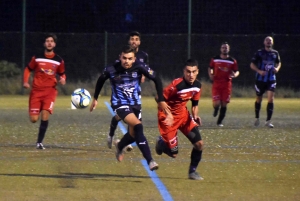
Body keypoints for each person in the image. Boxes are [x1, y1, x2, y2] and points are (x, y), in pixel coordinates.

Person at [90, 46, 171, 171]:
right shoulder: (112, 69)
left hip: (135, 104)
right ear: (120, 57)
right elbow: (101, 79)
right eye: (124, 58)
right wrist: (95, 98)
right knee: (138, 126)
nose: (126, 61)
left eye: (129, 59)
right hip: (119, 104)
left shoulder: (139, 66)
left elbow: (156, 78)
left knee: (133, 134)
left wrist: (161, 99)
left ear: (134, 59)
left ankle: (120, 146)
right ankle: (150, 160)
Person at [155, 59, 204, 180]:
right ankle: (161, 142)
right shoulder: (176, 85)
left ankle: (192, 172)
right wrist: (168, 114)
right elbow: (158, 97)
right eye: (188, 72)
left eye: (193, 72)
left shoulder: (197, 86)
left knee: (199, 144)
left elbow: (195, 105)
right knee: (174, 154)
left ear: (197, 72)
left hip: (183, 116)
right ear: (184, 71)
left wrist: (195, 115)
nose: (191, 75)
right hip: (168, 118)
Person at [107, 31, 149, 150]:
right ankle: (111, 134)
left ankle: (126, 140)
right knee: (121, 116)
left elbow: (146, 68)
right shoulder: (124, 54)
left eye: (136, 39)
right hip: (122, 92)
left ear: (139, 42)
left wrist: (144, 75)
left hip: (135, 91)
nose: (134, 41)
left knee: (133, 118)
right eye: (132, 39)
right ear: (129, 41)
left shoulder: (143, 55)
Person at [23, 33, 66, 149]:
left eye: (51, 41)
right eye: (47, 41)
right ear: (44, 43)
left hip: (50, 92)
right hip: (36, 92)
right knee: (33, 119)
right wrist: (25, 82)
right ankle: (39, 108)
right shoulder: (37, 57)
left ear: (55, 44)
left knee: (45, 114)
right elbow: (28, 69)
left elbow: (62, 74)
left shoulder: (59, 60)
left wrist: (63, 79)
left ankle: (39, 143)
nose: (49, 43)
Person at [250, 36, 281, 128]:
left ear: (272, 43)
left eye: (270, 40)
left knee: (271, 99)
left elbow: (279, 62)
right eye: (267, 40)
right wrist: (259, 71)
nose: (268, 42)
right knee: (259, 99)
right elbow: (252, 64)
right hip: (260, 80)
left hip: (271, 79)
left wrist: (277, 68)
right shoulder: (259, 53)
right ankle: (257, 118)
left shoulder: (275, 53)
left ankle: (268, 121)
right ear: (264, 42)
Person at [208, 42, 239, 127]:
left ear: (228, 49)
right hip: (217, 84)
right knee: (216, 103)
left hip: (227, 84)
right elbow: (210, 68)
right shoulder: (215, 59)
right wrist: (211, 74)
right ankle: (216, 109)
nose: (224, 49)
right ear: (220, 49)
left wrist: (235, 75)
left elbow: (236, 71)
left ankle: (219, 122)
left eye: (226, 48)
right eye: (223, 47)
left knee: (224, 103)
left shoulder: (232, 61)